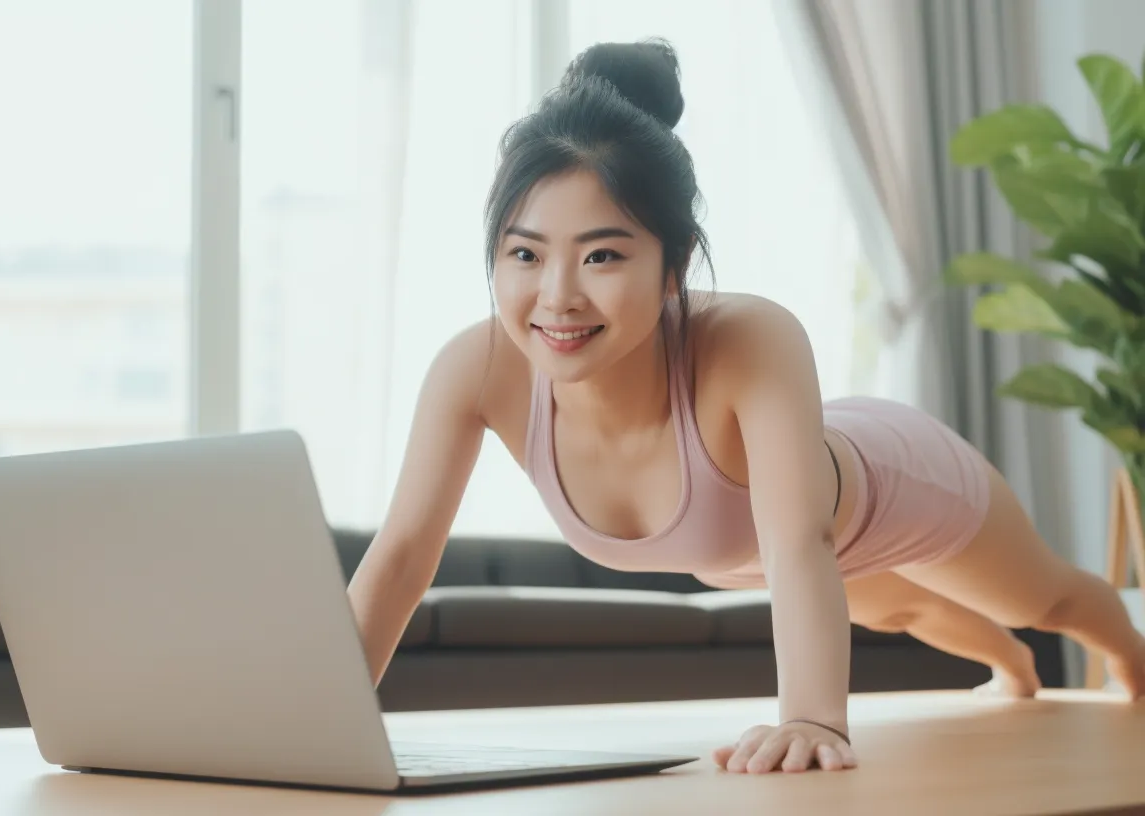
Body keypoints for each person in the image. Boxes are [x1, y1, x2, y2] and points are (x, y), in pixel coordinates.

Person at [344, 38, 1145, 775]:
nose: (557, 296)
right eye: (524, 252)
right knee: (902, 611)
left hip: (901, 481)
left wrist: (811, 720)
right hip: (774, 546)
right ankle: (1013, 668)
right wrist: (332, 715)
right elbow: (404, 555)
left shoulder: (750, 337)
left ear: (673, 265)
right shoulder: (477, 369)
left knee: (1045, 597)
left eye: (602, 255)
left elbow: (801, 541)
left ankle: (1128, 649)